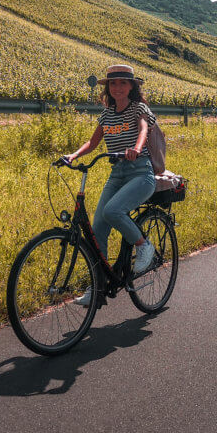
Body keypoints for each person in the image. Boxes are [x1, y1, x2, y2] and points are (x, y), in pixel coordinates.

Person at [63, 64, 157, 306]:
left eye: (123, 83)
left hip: (140, 173)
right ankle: (98, 287)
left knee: (112, 211)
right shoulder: (106, 114)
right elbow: (93, 142)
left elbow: (144, 129)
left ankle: (144, 245)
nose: (117, 88)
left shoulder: (139, 108)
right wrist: (74, 155)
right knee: (98, 229)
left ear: (132, 87)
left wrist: (136, 149)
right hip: (117, 174)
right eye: (113, 84)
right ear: (107, 88)